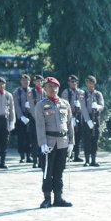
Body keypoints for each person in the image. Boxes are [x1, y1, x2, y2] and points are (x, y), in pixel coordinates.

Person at [35, 77, 74, 208]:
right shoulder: (41, 105)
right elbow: (40, 126)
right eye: (50, 86)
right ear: (45, 89)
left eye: (55, 86)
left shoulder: (65, 104)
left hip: (63, 141)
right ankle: (47, 198)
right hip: (49, 142)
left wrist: (71, 142)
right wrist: (43, 143)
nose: (53, 89)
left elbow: (69, 124)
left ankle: (58, 197)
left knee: (59, 170)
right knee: (47, 171)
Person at [80, 75, 104, 166]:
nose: (89, 84)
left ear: (94, 83)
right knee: (87, 139)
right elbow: (83, 108)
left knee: (95, 139)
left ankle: (93, 159)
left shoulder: (98, 94)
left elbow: (102, 105)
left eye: (91, 82)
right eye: (87, 82)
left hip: (96, 117)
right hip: (87, 118)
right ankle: (87, 160)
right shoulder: (83, 94)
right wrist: (88, 120)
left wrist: (98, 107)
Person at [61, 75, 85, 162]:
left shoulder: (81, 92)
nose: (73, 83)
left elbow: (84, 104)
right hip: (69, 116)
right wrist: (72, 116)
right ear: (69, 83)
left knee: (78, 136)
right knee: (69, 135)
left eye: (75, 82)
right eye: (71, 82)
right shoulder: (66, 92)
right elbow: (64, 104)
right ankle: (68, 155)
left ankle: (76, 155)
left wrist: (80, 107)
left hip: (79, 116)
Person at [13, 74, 33, 164]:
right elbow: (16, 105)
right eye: (23, 81)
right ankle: (22, 156)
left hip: (30, 115)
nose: (25, 82)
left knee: (30, 136)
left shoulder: (33, 91)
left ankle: (29, 155)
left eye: (27, 81)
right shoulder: (17, 92)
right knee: (21, 136)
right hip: (21, 117)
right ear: (21, 81)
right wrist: (21, 116)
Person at [28, 75, 46, 168]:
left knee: (43, 140)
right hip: (35, 119)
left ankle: (41, 160)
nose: (39, 83)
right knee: (35, 141)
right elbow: (31, 107)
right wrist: (38, 118)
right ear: (34, 82)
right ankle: (35, 160)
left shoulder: (45, 92)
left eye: (41, 81)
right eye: (37, 81)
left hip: (44, 120)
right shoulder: (31, 93)